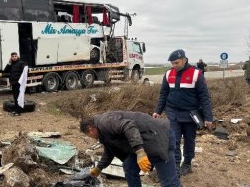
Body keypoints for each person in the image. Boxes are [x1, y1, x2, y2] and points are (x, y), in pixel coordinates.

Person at [80, 111, 181, 187]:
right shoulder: (102, 133)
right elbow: (109, 151)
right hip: (145, 142)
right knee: (129, 166)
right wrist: (99, 168)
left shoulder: (105, 122)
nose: (92, 138)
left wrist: (140, 152)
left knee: (169, 182)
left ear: (90, 129)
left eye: (89, 135)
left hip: (159, 137)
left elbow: (129, 126)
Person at [153, 49, 213, 177]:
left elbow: (204, 97)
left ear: (184, 60)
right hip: (173, 114)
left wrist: (208, 117)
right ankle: (174, 166)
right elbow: (163, 94)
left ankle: (187, 164)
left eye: (176, 63)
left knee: (189, 140)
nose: (174, 66)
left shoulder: (197, 74)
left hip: (190, 115)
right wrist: (158, 111)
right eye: (172, 63)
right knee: (173, 140)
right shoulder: (169, 74)